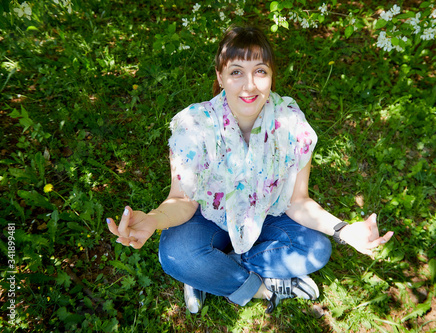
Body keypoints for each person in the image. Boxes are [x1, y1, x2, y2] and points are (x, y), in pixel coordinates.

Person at [107, 26, 394, 314]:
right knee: (176, 255)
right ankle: (259, 288)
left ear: (270, 76)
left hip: (265, 214)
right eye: (236, 72)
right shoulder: (193, 126)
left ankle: (211, 272)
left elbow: (298, 202)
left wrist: (344, 230)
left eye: (260, 71)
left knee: (316, 250)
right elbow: (182, 201)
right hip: (208, 216)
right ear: (220, 77)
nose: (249, 85)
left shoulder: (292, 124)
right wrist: (154, 219)